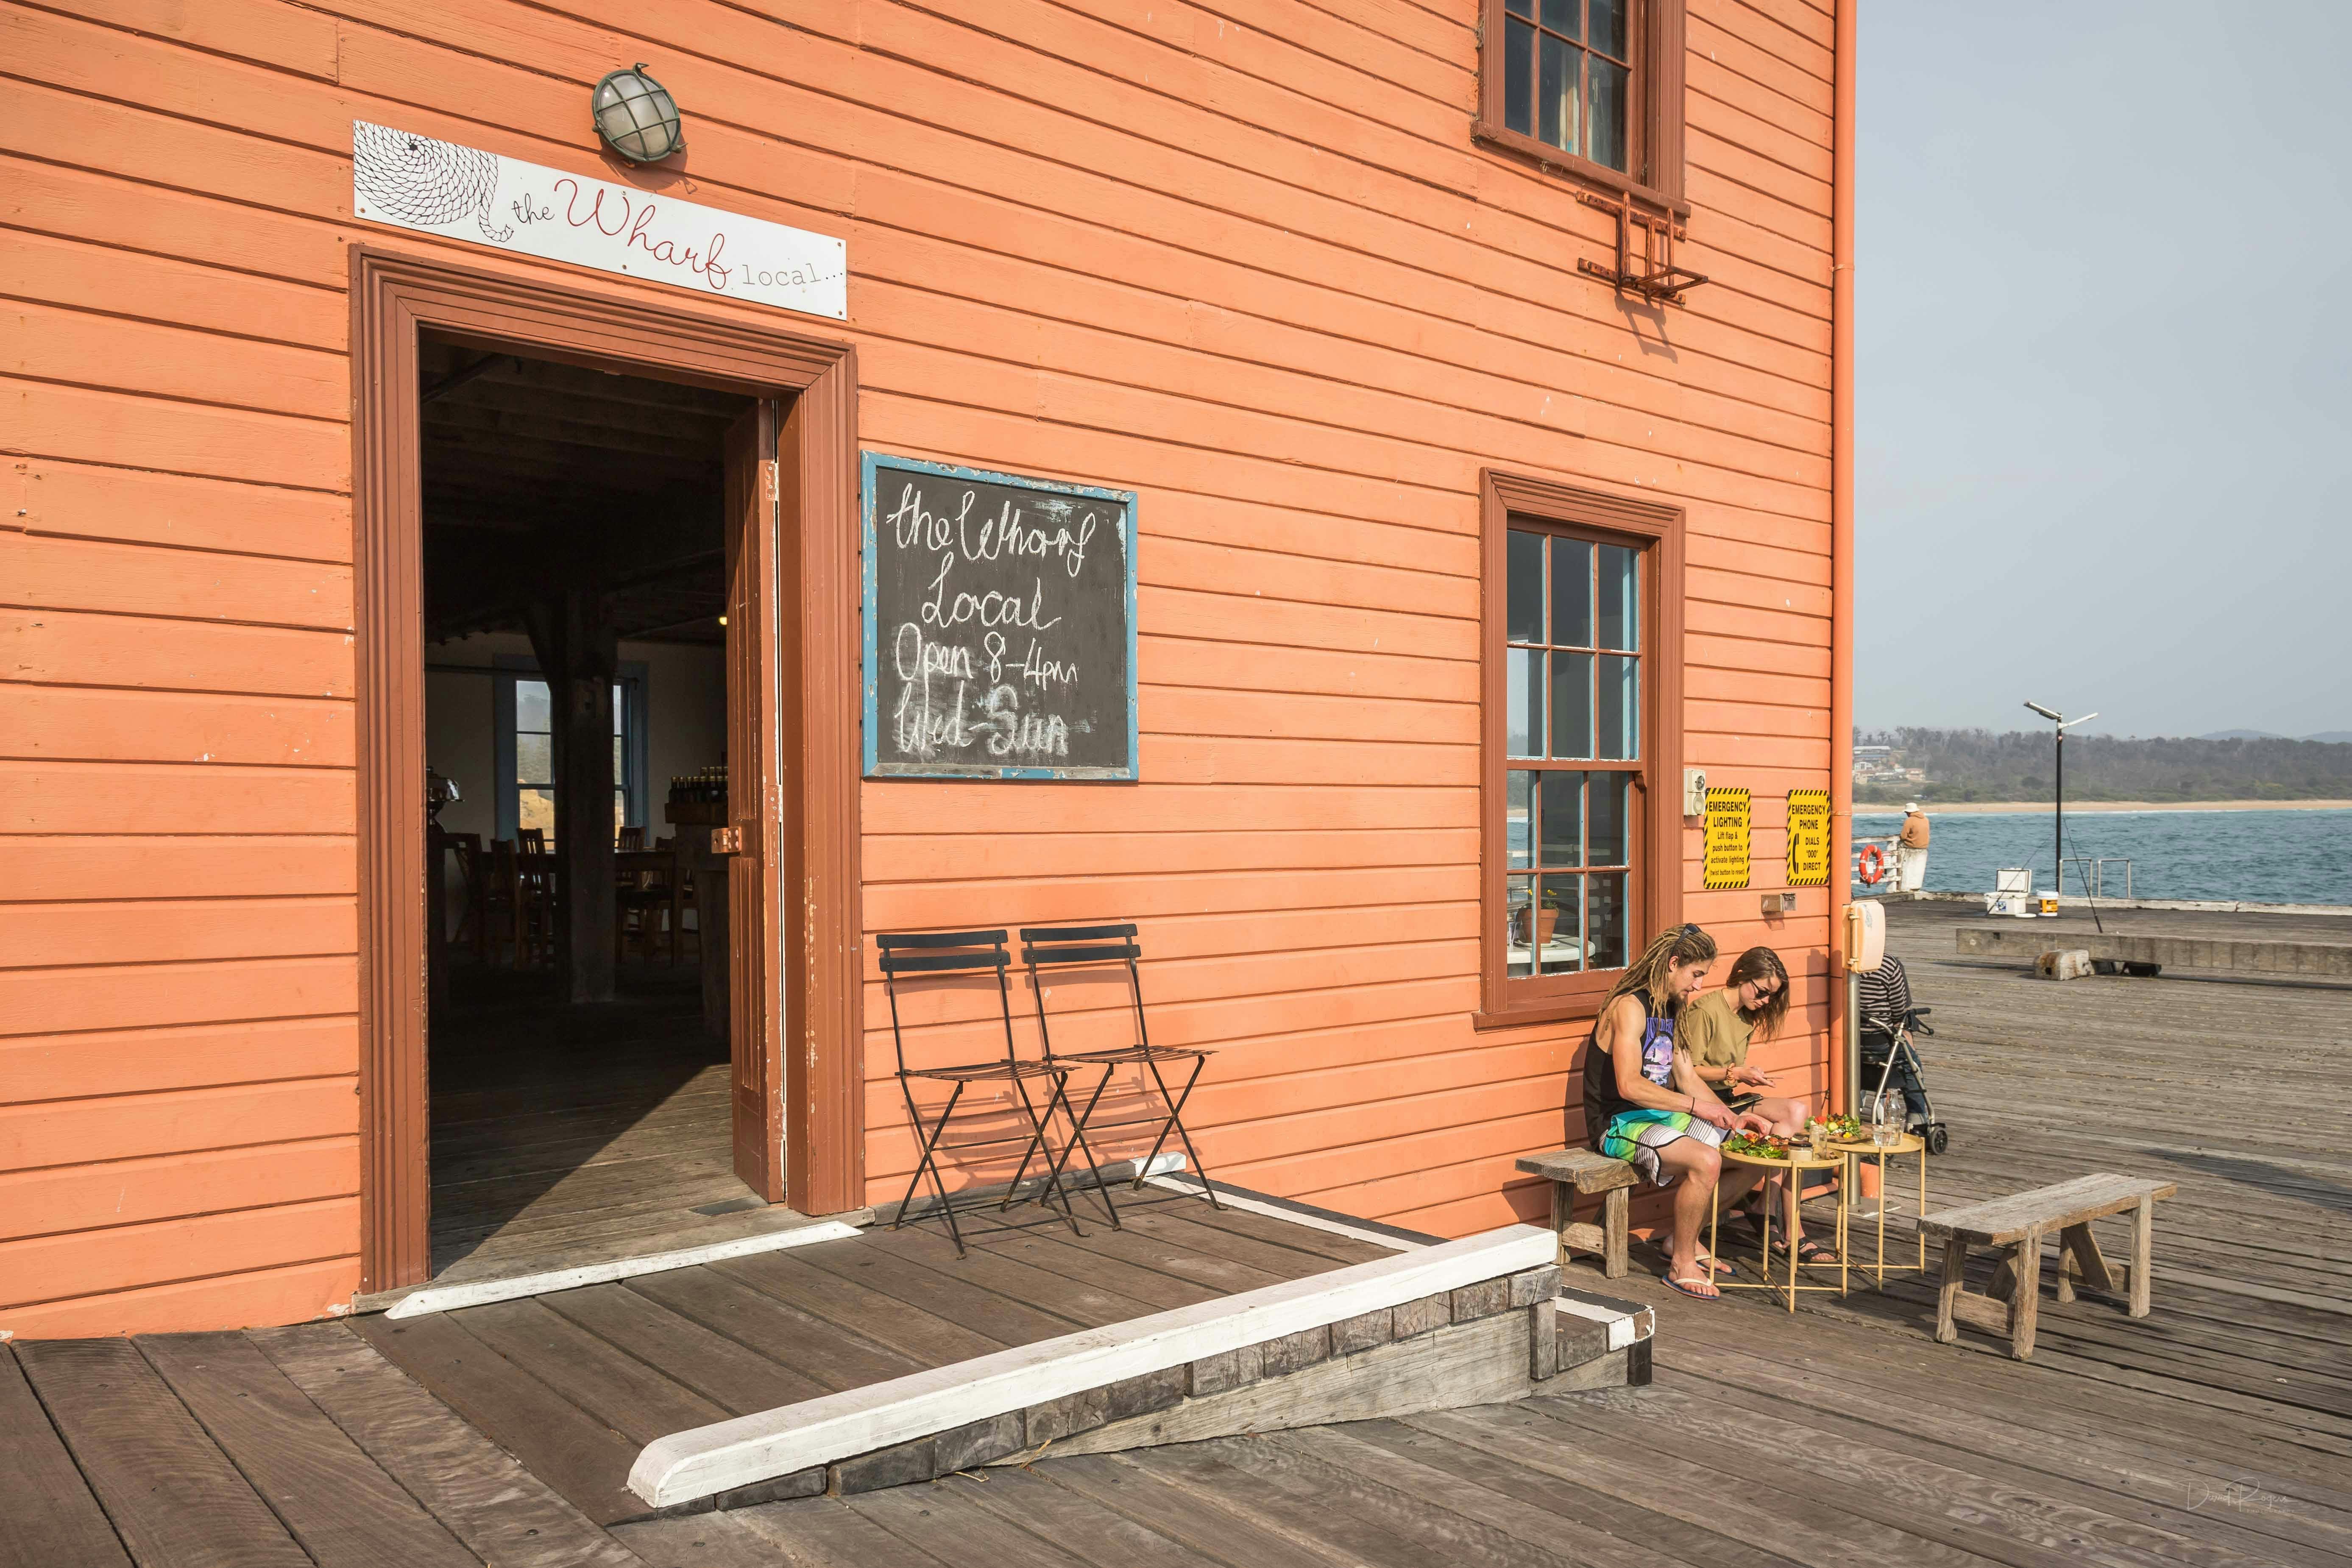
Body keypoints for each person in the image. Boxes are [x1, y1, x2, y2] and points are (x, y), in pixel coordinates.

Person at [1576, 923, 1771, 1301]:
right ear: (1674, 963)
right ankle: (1682, 1262)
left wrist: (1728, 1115)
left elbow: (1683, 1075)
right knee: (1705, 1161)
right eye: (1696, 974)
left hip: (1658, 1117)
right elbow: (1629, 1085)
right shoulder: (1629, 1007)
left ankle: (1683, 1240)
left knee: (1752, 1154)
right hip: (1618, 1123)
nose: (1699, 986)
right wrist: (1699, 1108)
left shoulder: (1672, 1007)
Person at [1679, 947, 1836, 1264]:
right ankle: (1786, 1225)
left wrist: (1747, 1076)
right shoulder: (1706, 1011)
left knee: (1796, 1113)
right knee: (1784, 1140)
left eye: (1771, 996)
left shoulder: (1744, 1016)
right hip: (1702, 1103)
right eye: (1763, 992)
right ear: (1742, 975)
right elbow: (1687, 1071)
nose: (1766, 1001)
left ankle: (1768, 1203)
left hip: (1729, 1097)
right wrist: (1736, 1073)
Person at [1895, 802, 1931, 894]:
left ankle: (1894, 872)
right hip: (1924, 846)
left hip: (1912, 845)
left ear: (1909, 812)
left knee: (1897, 846)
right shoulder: (1926, 819)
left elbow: (1903, 837)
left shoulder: (1910, 820)